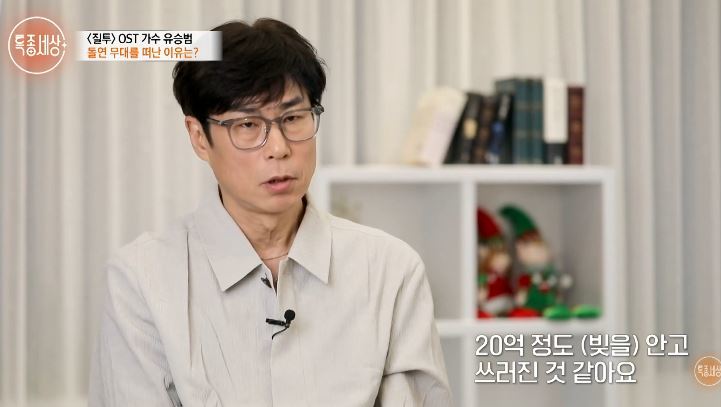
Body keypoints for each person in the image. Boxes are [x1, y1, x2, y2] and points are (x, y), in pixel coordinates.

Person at [88, 18, 453, 406]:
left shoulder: (390, 271)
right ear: (199, 137)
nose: (278, 148)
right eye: (248, 124)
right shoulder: (141, 280)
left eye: (293, 118)